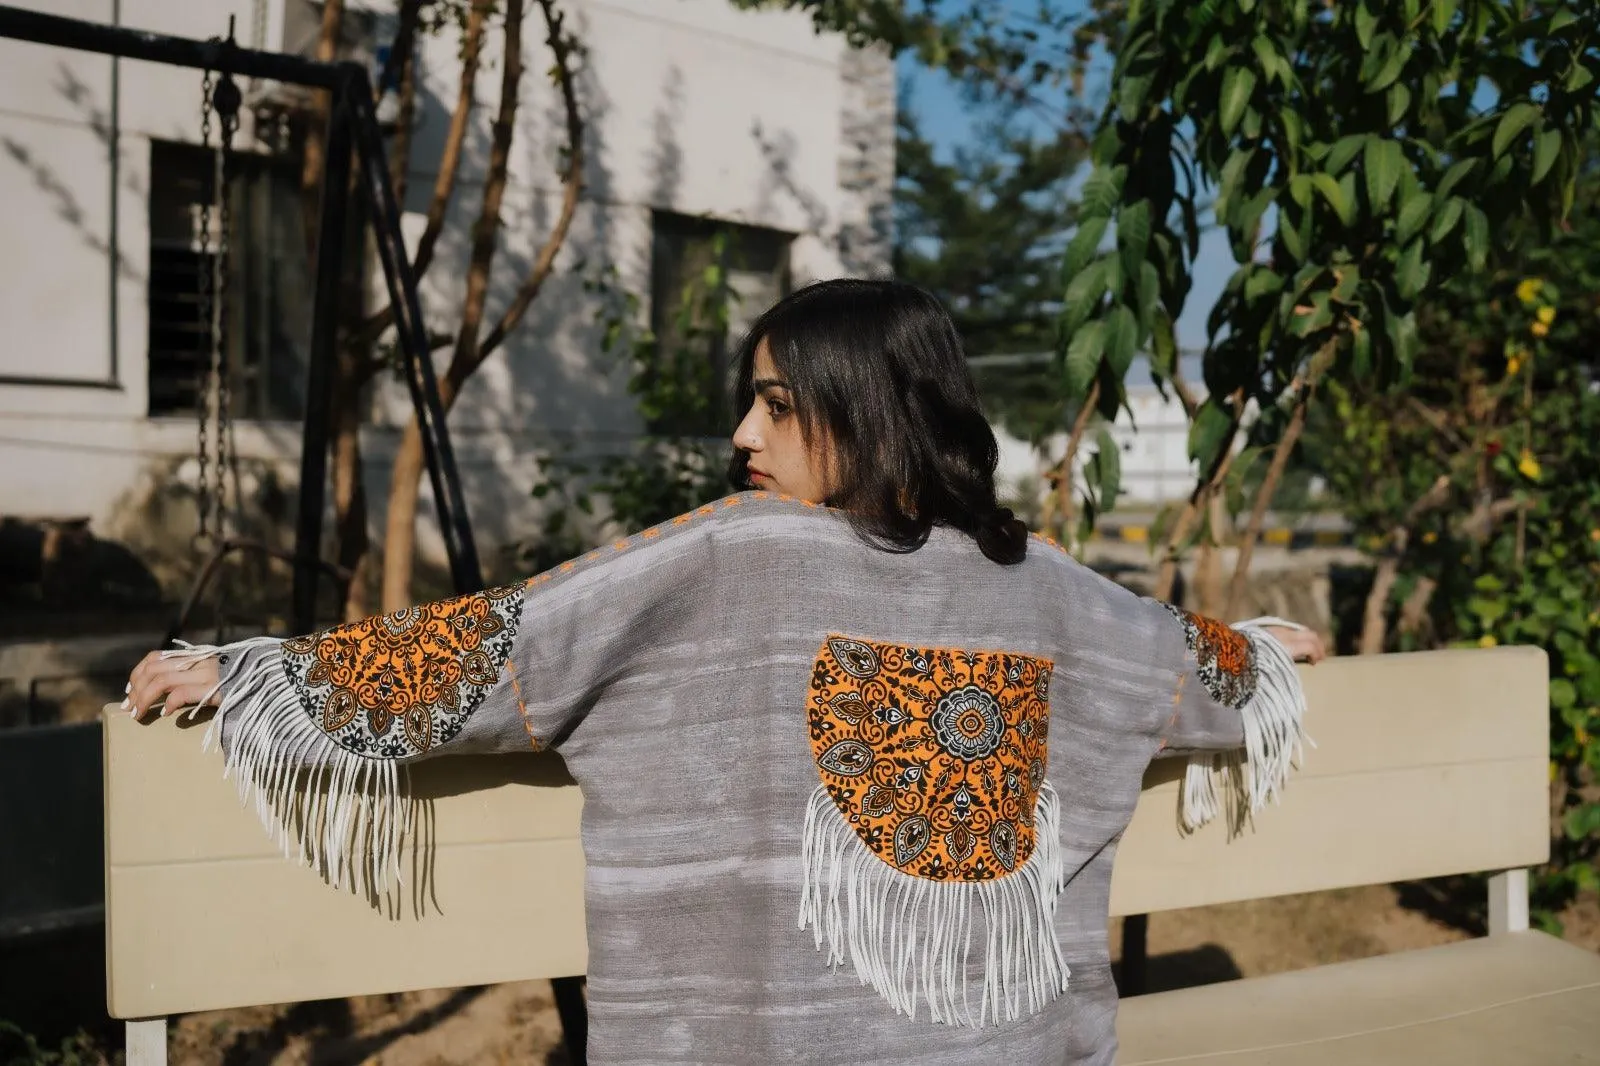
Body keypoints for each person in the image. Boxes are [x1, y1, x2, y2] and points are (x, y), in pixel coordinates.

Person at [126, 278, 1324, 1064]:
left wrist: (269, 673)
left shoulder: (741, 552)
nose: (742, 437)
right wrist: (1265, 657)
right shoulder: (1045, 579)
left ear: (870, 408)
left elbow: (509, 643)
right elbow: (1190, 671)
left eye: (775, 403)